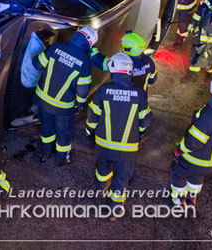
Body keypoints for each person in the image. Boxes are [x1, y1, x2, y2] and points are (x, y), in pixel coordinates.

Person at [86, 53, 151, 217]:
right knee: (122, 178)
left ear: (113, 71)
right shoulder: (139, 94)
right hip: (127, 149)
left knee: (102, 168)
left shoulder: (103, 90)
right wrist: (139, 134)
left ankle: (101, 187)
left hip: (103, 144)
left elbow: (93, 115)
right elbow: (146, 119)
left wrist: (90, 130)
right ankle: (115, 208)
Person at [170, 73, 212, 210]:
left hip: (194, 159)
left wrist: (179, 151)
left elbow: (193, 142)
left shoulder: (209, 115)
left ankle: (178, 200)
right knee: (197, 176)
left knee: (177, 172)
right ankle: (192, 197)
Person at [32, 26, 97, 166]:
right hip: (63, 107)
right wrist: (80, 104)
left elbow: (37, 64)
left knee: (46, 128)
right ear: (89, 44)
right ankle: (62, 159)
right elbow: (82, 88)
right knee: (63, 133)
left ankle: (46, 152)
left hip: (43, 100)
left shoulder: (56, 47)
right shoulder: (85, 61)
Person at [91, 30, 157, 91]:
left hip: (120, 96)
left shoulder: (122, 62)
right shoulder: (149, 62)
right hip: (140, 99)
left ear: (127, 49)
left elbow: (101, 62)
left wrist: (92, 50)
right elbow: (152, 80)